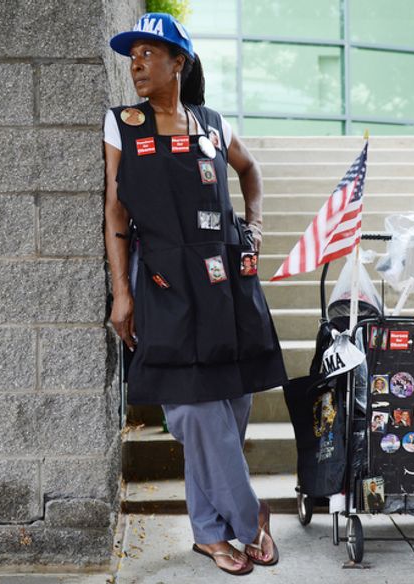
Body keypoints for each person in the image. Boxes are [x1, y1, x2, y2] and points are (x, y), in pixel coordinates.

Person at [104, 13, 287, 576]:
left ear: (178, 61)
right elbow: (115, 210)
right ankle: (249, 515)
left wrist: (254, 224)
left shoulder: (211, 123)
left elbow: (250, 170)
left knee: (231, 407)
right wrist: (121, 293)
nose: (136, 64)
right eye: (130, 55)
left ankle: (209, 534)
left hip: (227, 280)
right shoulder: (122, 125)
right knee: (193, 412)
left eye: (148, 53)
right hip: (162, 284)